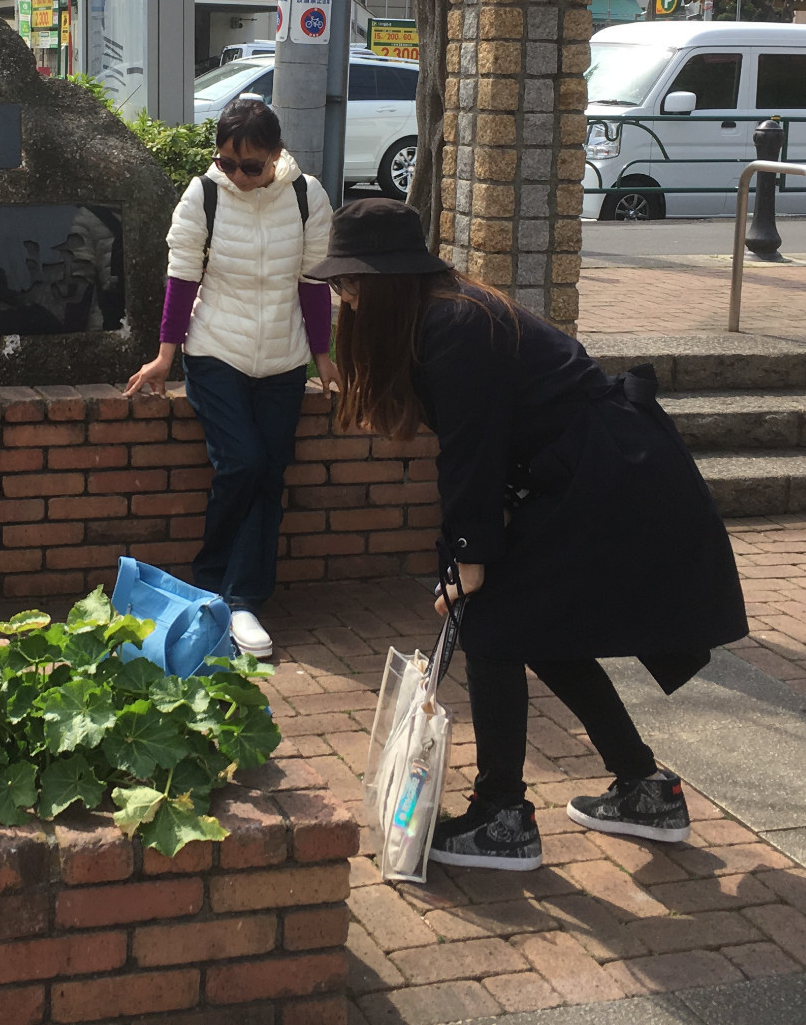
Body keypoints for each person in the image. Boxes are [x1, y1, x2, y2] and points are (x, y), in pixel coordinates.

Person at [310, 198, 747, 872]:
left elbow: (472, 453)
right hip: (590, 473)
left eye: (349, 281)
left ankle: (504, 817)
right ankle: (641, 790)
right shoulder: (442, 315)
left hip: (608, 479)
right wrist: (465, 555)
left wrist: (466, 559)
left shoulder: (453, 324)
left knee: (496, 624)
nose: (343, 296)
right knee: (533, 628)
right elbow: (478, 452)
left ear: (387, 278)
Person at [125, 97, 335, 659]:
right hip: (217, 350)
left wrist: (325, 357)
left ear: (276, 155)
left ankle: (242, 599)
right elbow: (181, 278)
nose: (239, 176)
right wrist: (165, 358)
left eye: (252, 166)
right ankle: (216, 581)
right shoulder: (205, 195)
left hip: (284, 359)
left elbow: (313, 284)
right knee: (241, 463)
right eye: (229, 163)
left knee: (269, 474)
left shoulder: (306, 195)